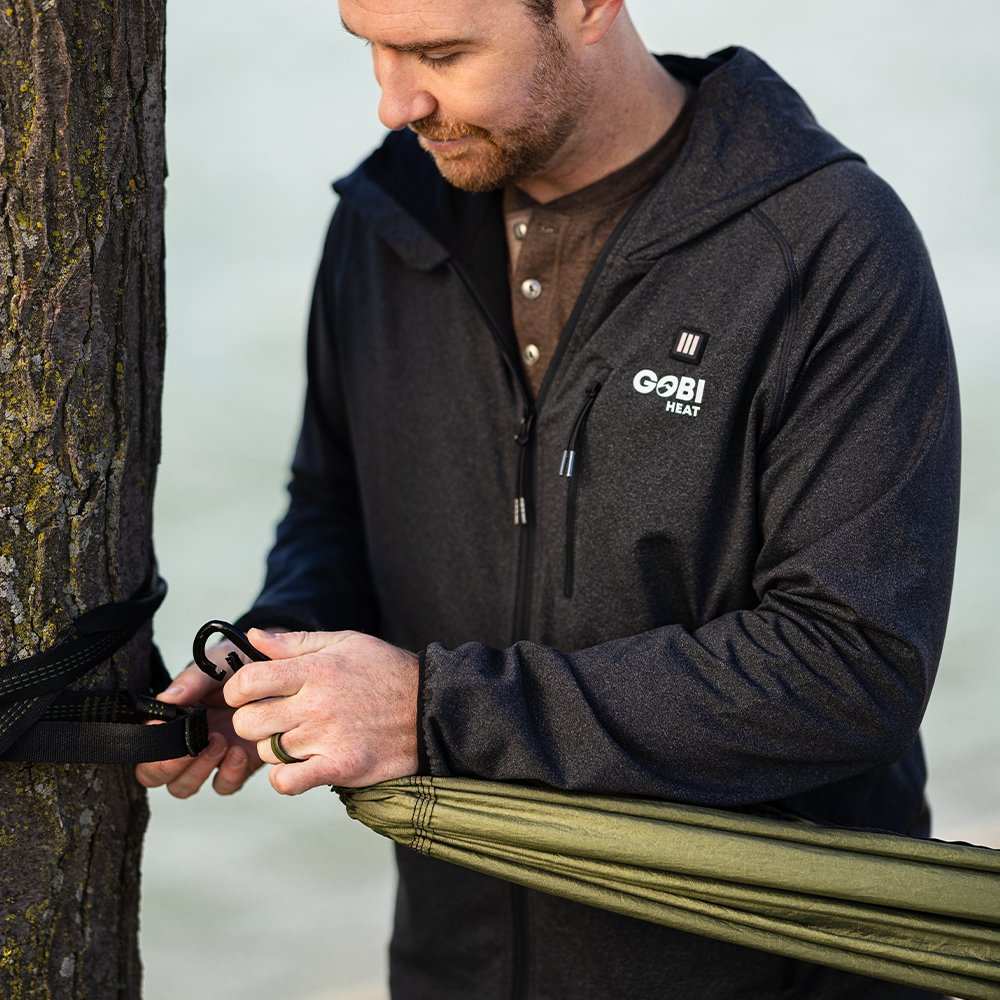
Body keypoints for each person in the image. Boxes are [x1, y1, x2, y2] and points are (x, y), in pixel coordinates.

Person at [136, 1, 961, 997]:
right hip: (454, 962)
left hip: (769, 973)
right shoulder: (387, 218)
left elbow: (848, 670)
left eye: (440, 52)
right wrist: (282, 656)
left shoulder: (827, 244)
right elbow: (333, 509)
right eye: (373, 49)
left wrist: (434, 711)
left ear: (584, 8)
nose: (396, 103)